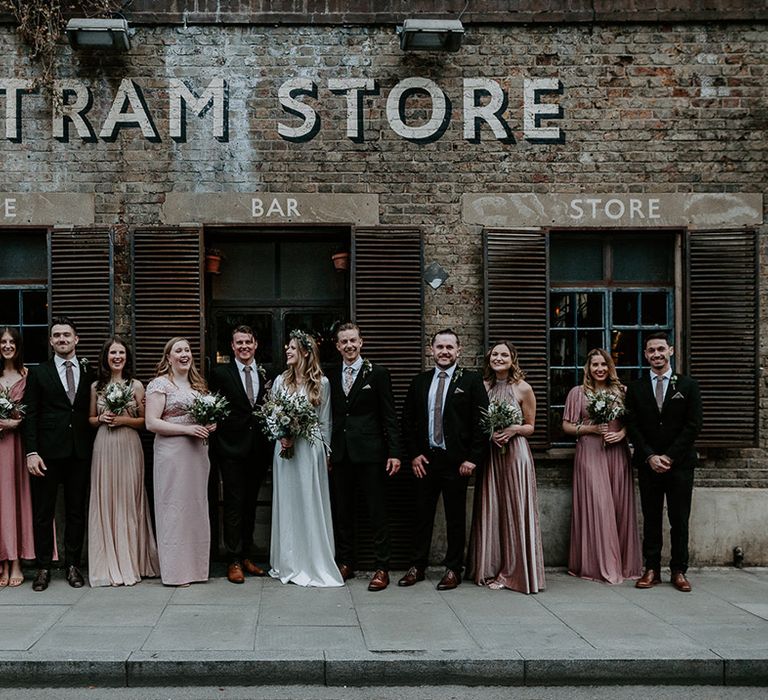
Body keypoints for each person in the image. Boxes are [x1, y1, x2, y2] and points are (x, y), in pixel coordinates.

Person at [399, 329, 488, 591]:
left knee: (455, 517)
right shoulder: (420, 381)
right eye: (440, 347)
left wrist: (472, 458)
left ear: (458, 351)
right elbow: (407, 422)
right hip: (426, 461)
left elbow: (482, 422)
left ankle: (453, 569)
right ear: (432, 350)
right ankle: (417, 566)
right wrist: (414, 454)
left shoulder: (471, 381)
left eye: (450, 347)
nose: (445, 352)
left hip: (456, 463)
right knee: (421, 515)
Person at [625, 332, 702, 593]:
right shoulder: (636, 388)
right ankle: (652, 569)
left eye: (660, 349)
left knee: (679, 518)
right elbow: (632, 426)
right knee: (651, 517)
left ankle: (679, 570)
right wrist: (650, 456)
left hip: (679, 464)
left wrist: (669, 456)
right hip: (649, 464)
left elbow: (693, 426)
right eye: (651, 351)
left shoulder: (688, 386)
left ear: (670, 350)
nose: (656, 354)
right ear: (645, 355)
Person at [23, 316, 95, 592]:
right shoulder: (39, 373)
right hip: (47, 454)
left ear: (76, 339)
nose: (62, 339)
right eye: (57, 336)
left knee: (76, 511)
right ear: (51, 341)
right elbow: (31, 415)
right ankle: (43, 567)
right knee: (44, 512)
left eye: (67, 335)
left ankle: (73, 565)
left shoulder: (89, 372)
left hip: (79, 452)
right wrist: (31, 452)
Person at [468, 341, 545, 593]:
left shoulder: (523, 388)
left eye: (504, 354)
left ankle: (515, 571)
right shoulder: (482, 387)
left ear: (513, 359)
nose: (498, 358)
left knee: (514, 508)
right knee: (492, 506)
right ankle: (488, 567)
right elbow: (476, 421)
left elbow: (531, 426)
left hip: (515, 454)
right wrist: (490, 433)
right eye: (494, 354)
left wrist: (512, 429)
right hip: (491, 454)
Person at [329, 322, 401, 591]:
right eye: (343, 342)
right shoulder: (331, 374)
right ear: (337, 346)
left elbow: (389, 415)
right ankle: (346, 561)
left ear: (361, 343)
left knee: (376, 511)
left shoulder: (378, 374)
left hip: (371, 454)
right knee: (343, 511)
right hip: (341, 454)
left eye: (353, 341)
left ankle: (382, 567)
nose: (349, 346)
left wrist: (395, 452)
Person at [268, 330, 343, 588]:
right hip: (285, 450)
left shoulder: (321, 383)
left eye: (292, 348)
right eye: (287, 348)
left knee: (310, 501)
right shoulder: (280, 381)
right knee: (288, 502)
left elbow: (325, 422)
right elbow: (273, 414)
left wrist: (326, 453)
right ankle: (288, 560)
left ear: (305, 352)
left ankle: (313, 560)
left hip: (311, 449)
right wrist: (281, 435)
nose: (287, 351)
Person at [562, 348, 641, 585]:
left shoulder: (622, 392)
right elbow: (566, 426)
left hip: (617, 452)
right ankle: (598, 564)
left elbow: (634, 423)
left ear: (610, 367)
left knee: (618, 506)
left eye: (604, 365)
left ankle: (623, 564)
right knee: (598, 506)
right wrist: (590, 429)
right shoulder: (578, 393)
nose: (600, 369)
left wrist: (623, 434)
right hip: (590, 451)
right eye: (595, 365)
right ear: (588, 368)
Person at [87, 337, 159, 587]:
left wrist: (123, 421)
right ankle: (108, 561)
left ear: (127, 357)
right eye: (112, 352)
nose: (117, 356)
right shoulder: (97, 386)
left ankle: (133, 561)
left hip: (129, 444)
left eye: (121, 353)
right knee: (107, 498)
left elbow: (144, 421)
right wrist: (103, 418)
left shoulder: (137, 385)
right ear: (106, 357)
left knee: (129, 499)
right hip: (104, 445)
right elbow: (91, 419)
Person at [145, 337, 215, 586]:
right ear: (168, 358)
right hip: (172, 453)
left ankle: (196, 570)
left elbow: (205, 417)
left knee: (195, 507)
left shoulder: (198, 386)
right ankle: (176, 572)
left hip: (197, 452)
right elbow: (151, 422)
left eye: (187, 350)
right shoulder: (160, 384)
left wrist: (209, 424)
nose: (184, 354)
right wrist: (188, 430)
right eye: (178, 350)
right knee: (173, 508)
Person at [209, 325, 272, 584]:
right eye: (239, 343)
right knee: (233, 504)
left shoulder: (268, 371)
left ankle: (247, 555)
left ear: (255, 344)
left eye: (248, 341)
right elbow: (214, 406)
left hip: (258, 448)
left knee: (250, 504)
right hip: (231, 448)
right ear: (232, 347)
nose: (244, 346)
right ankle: (232, 560)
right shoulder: (220, 372)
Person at [0, 327, 34, 588]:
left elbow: (33, 413)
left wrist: (15, 424)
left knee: (15, 498)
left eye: (12, 341)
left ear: (19, 346)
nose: (7, 345)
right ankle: (2, 561)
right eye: (3, 341)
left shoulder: (27, 376)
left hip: (17, 445)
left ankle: (16, 562)